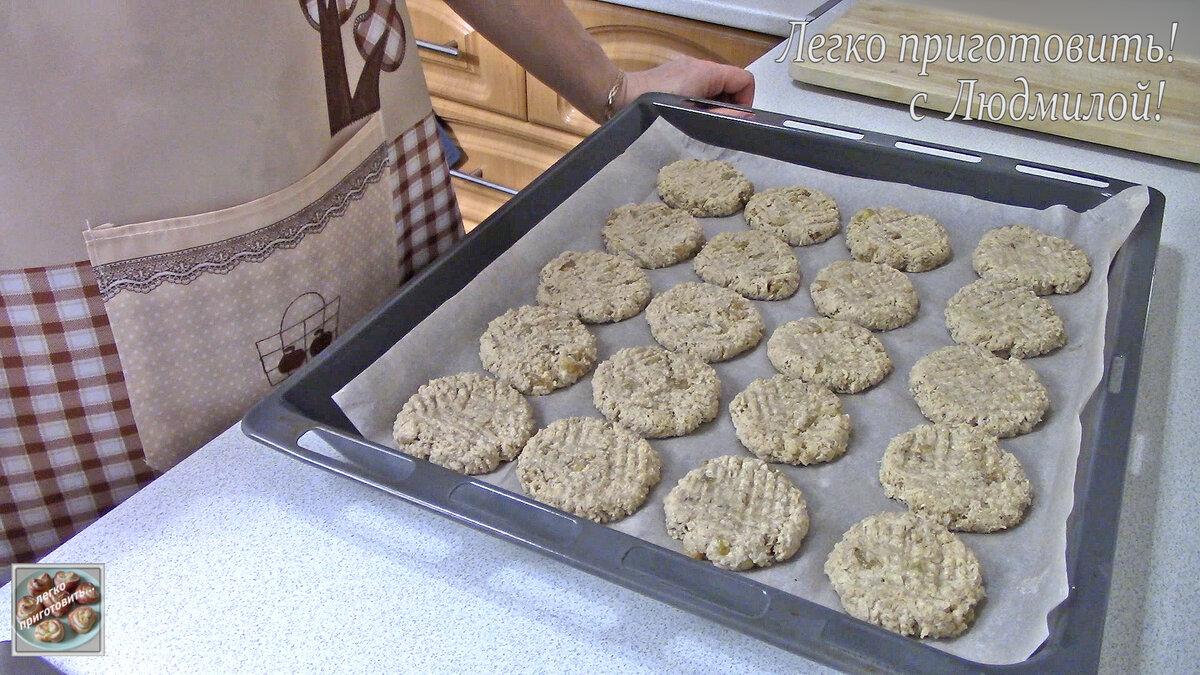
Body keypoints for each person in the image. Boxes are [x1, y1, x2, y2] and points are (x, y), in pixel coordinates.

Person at [0, 0, 754, 567]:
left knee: (428, 541)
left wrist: (616, 86)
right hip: (57, 281)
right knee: (87, 615)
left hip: (358, 162)